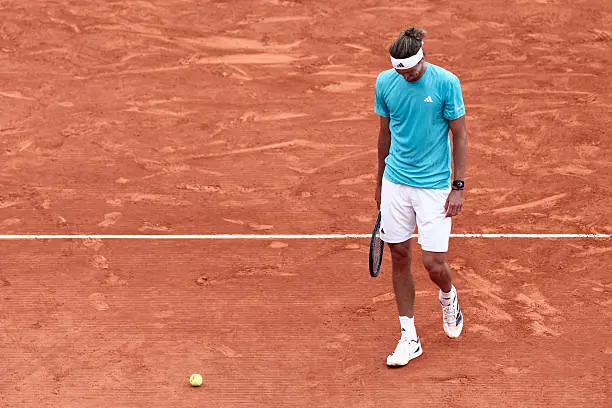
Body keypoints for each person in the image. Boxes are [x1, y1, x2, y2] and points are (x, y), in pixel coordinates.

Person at [374, 27, 469, 367]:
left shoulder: (446, 83)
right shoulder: (385, 83)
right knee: (399, 255)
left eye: (411, 71)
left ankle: (448, 296)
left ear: (422, 58)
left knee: (433, 263)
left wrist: (458, 186)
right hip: (396, 182)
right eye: (400, 71)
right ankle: (408, 337)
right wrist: (380, 182)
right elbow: (384, 134)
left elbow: (460, 135)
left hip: (434, 187)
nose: (406, 76)